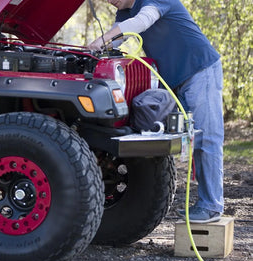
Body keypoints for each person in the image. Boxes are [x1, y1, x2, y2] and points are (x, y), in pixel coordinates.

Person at [88, 0, 224, 223]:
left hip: (199, 69)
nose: (109, 0)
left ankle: (211, 206)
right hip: (174, 79)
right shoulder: (124, 11)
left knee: (206, 138)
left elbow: (142, 21)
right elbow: (120, 37)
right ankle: (206, 203)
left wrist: (102, 39)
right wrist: (96, 49)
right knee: (177, 136)